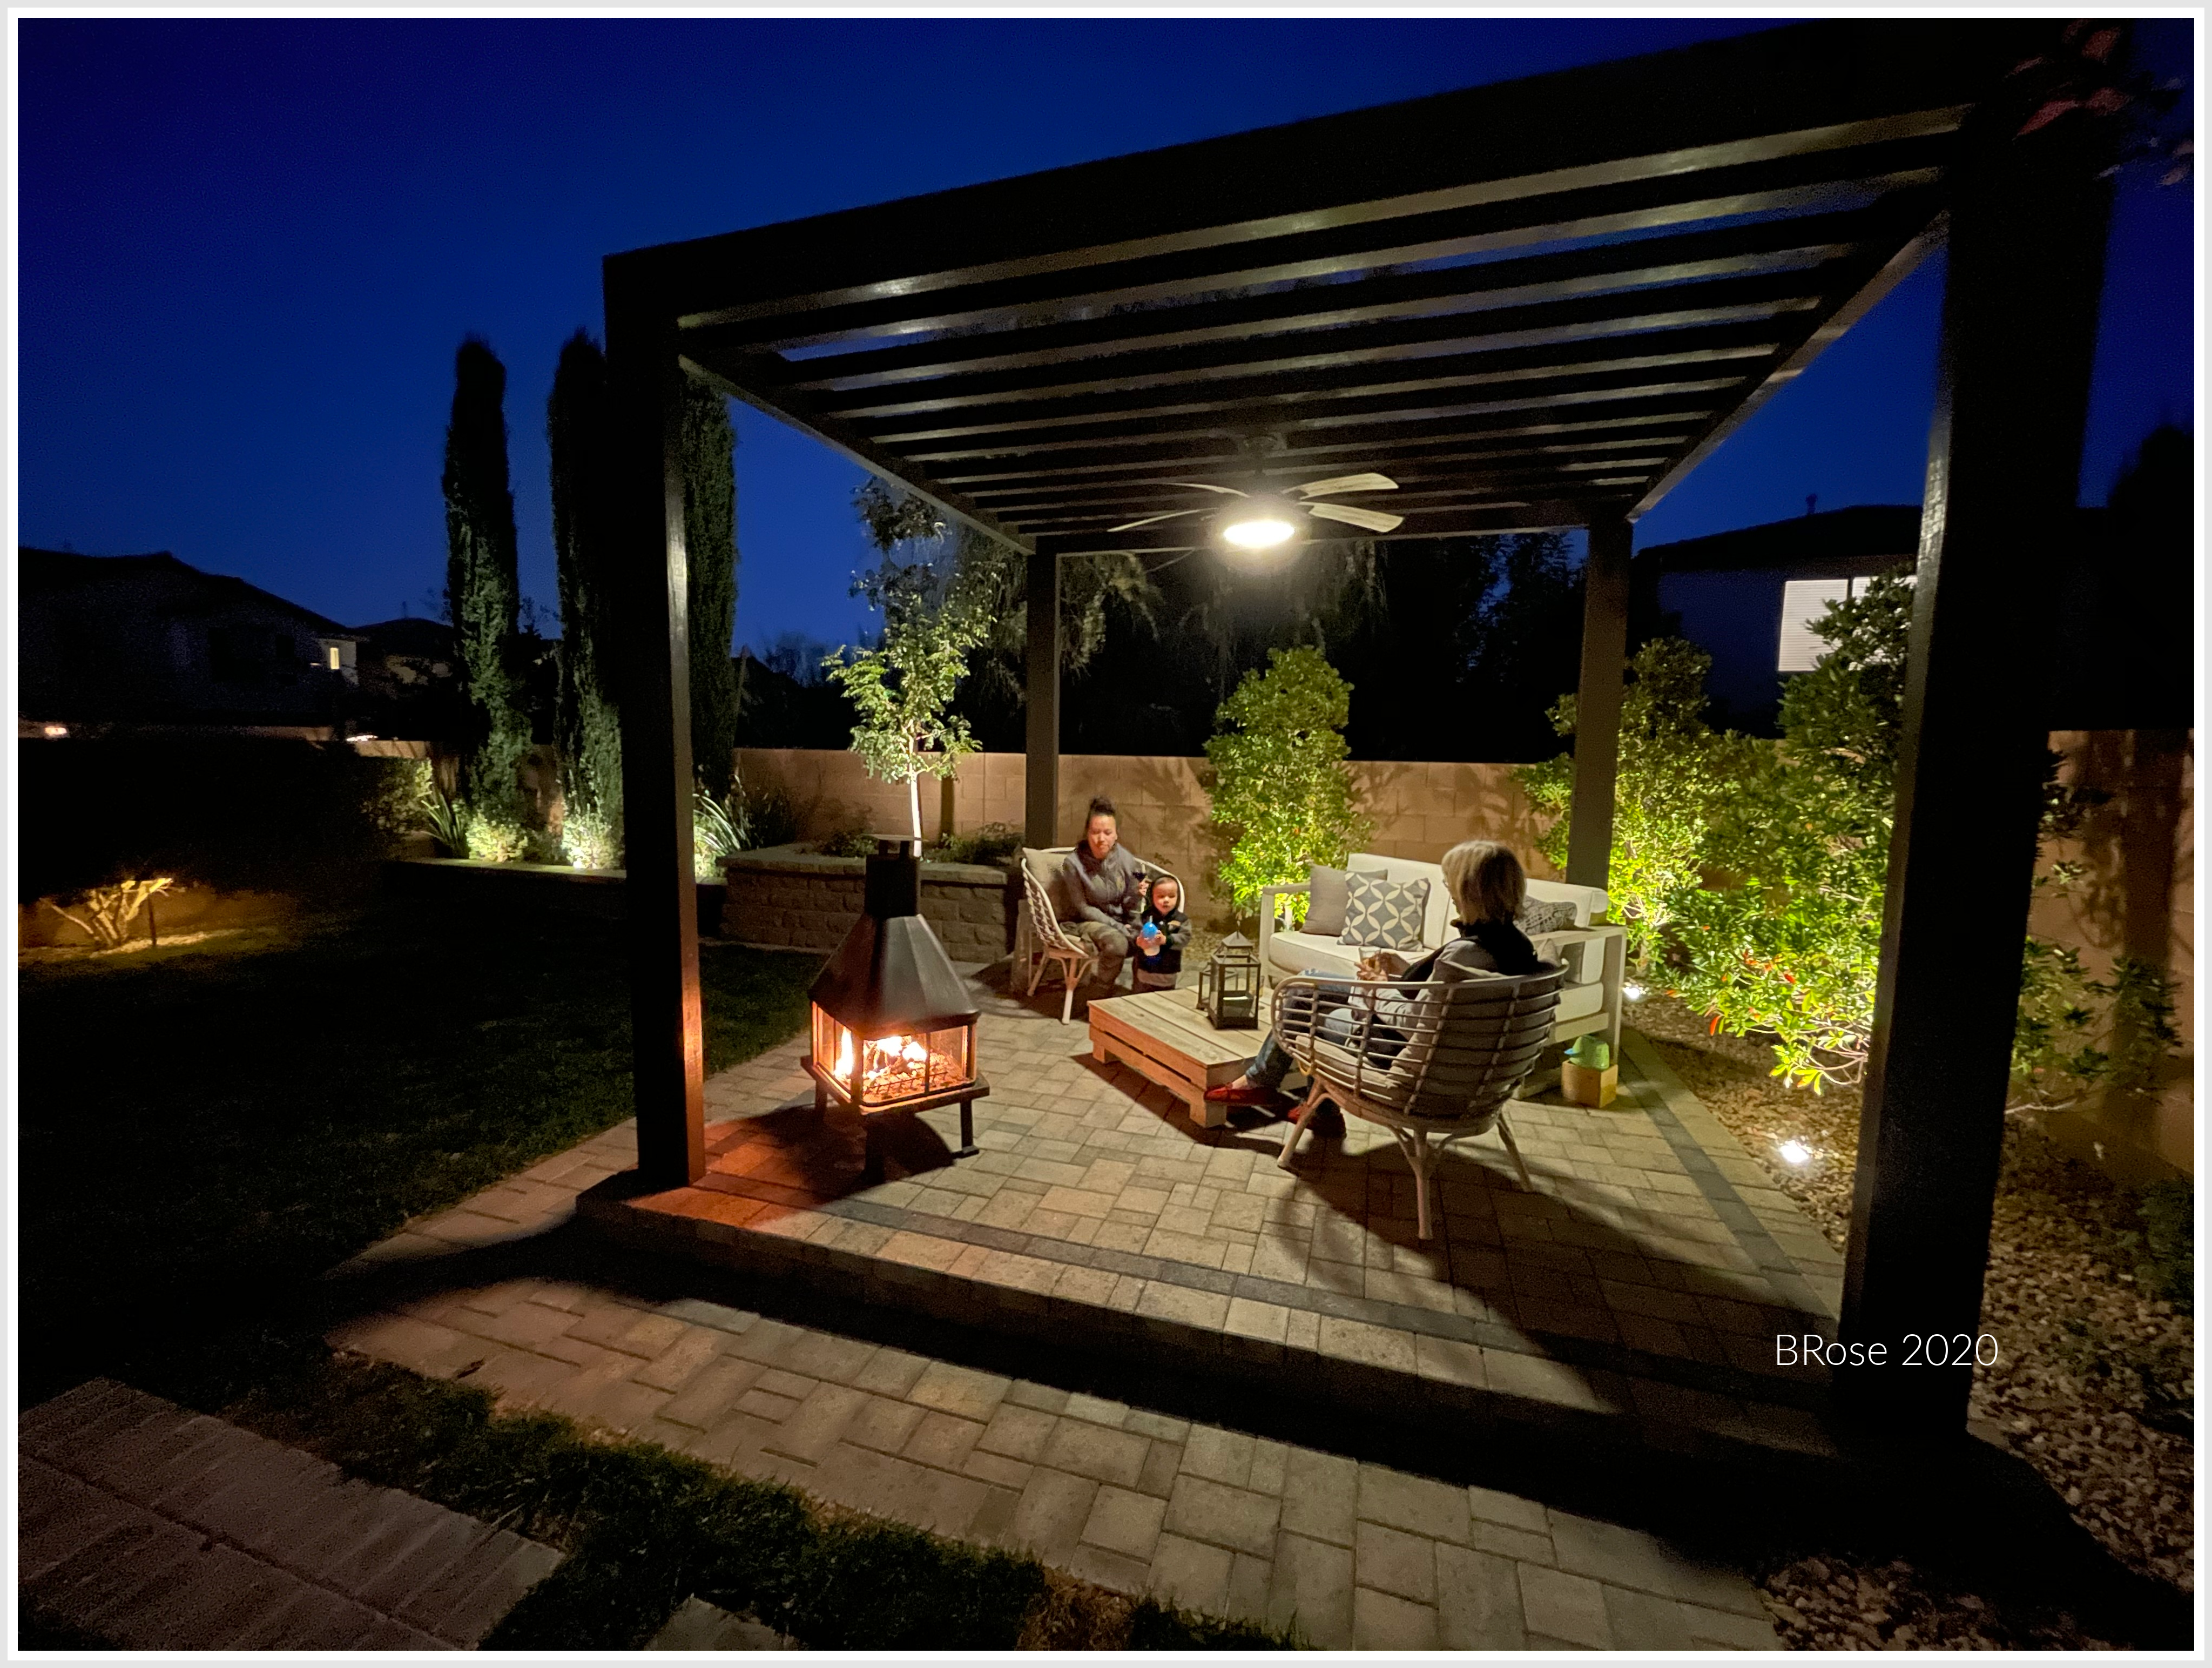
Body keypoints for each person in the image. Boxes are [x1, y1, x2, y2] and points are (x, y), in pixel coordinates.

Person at [1205, 839, 1542, 1121]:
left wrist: (1374, 990)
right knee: (1306, 983)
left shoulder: (1467, 954)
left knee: (1301, 1005)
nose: (1449, 891)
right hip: (1472, 1073)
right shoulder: (1516, 948)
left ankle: (1273, 1087)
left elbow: (1417, 1024)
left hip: (1396, 1055)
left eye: (1451, 883)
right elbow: (1437, 1003)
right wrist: (1398, 971)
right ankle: (1313, 1108)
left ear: (1472, 889)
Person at [1058, 796, 1147, 987]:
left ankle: (1142, 993)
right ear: (1087, 833)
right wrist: (1120, 928)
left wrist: (1137, 921)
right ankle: (1100, 993)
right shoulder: (1073, 864)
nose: (1101, 839)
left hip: (1120, 919)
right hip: (1087, 922)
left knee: (1151, 937)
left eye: (1108, 833)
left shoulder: (1126, 859)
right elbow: (1083, 907)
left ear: (1116, 835)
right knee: (1117, 944)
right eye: (1095, 832)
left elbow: (1132, 901)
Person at [1131, 874, 1190, 991]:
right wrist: (1139, 942)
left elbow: (1185, 938)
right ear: (1152, 897)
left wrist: (1167, 940)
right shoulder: (1145, 917)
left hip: (1167, 972)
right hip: (1144, 972)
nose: (1166, 900)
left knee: (1164, 1001)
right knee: (1140, 1000)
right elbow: (1135, 933)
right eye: (1161, 896)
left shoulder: (1181, 920)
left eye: (1172, 896)